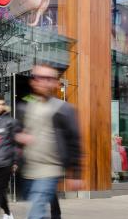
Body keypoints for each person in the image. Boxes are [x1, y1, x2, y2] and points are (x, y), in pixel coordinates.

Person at [16, 63, 82, 219]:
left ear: (55, 83)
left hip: (50, 168)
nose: (45, 82)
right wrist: (20, 139)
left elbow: (74, 141)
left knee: (36, 212)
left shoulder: (64, 109)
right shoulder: (24, 108)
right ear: (33, 81)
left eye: (50, 78)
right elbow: (18, 133)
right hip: (28, 170)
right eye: (40, 78)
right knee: (37, 207)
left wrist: (76, 173)